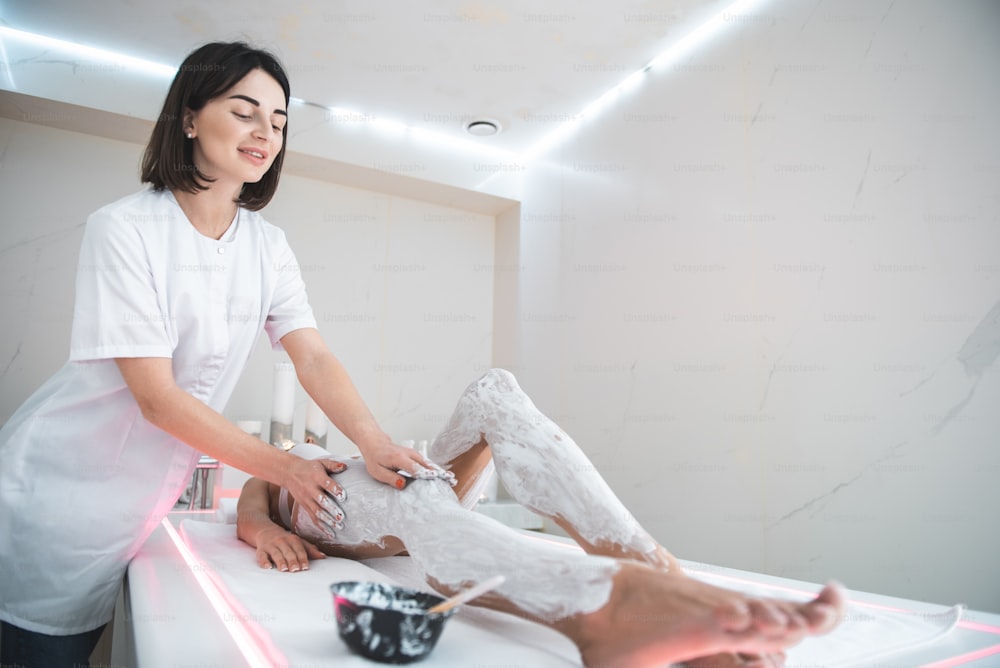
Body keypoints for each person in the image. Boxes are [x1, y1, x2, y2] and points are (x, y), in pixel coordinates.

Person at [0, 42, 428, 668]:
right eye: (246, 110)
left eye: (279, 122)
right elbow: (157, 396)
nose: (266, 132)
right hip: (53, 498)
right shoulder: (123, 229)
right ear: (191, 117)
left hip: (134, 511)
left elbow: (310, 354)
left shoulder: (268, 246)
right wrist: (286, 471)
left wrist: (372, 440)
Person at [237, 369, 846, 667]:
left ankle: (660, 574)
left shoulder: (349, 448)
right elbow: (249, 494)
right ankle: (599, 607)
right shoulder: (284, 462)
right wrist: (265, 527)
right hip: (343, 510)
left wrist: (376, 449)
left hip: (415, 478)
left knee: (493, 390)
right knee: (414, 502)